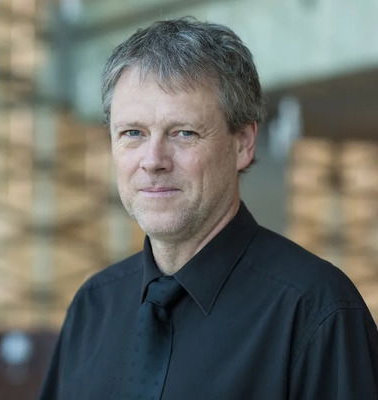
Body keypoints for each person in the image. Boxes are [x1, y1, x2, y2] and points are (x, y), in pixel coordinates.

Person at [38, 18, 378, 400]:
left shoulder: (316, 310)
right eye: (133, 133)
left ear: (243, 143)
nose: (153, 160)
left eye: (184, 133)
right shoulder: (93, 307)